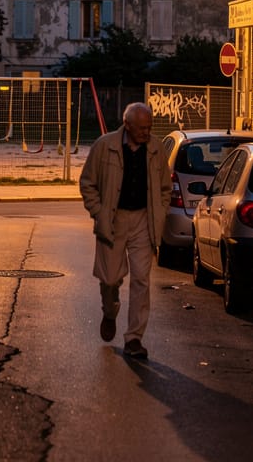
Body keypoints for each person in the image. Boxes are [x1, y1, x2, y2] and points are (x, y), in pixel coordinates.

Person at [78, 102, 170, 359]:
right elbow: (87, 183)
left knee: (141, 279)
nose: (146, 132)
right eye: (141, 128)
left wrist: (160, 213)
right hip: (113, 219)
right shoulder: (104, 146)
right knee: (109, 279)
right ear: (127, 125)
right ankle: (109, 312)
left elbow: (165, 188)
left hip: (144, 220)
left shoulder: (156, 148)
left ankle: (134, 339)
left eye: (149, 127)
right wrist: (99, 212)